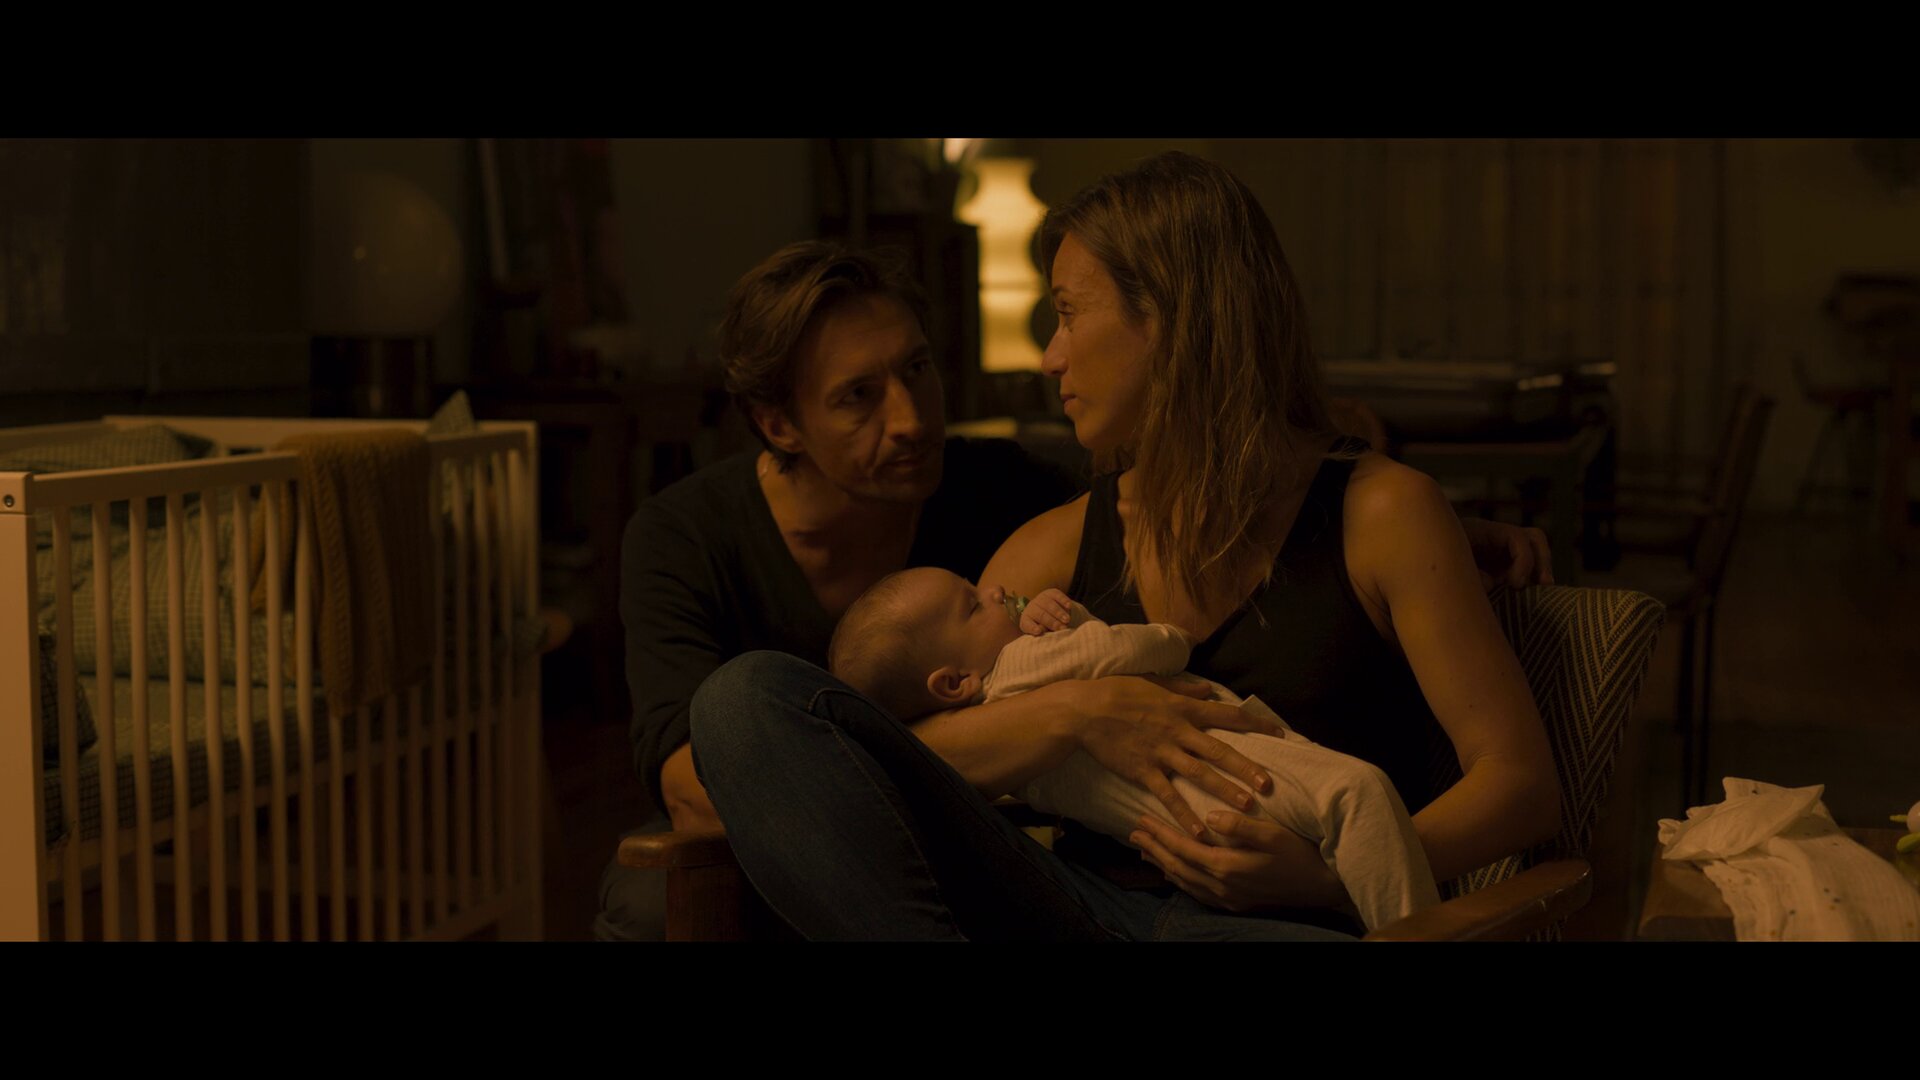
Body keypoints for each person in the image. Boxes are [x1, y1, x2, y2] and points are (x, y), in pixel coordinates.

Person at [599, 228, 1554, 941]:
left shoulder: (1005, 492)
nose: (914, 419)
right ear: (778, 426)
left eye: (920, 369)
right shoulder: (686, 537)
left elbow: (1203, 493)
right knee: (744, 702)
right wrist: (1078, 715)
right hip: (959, 881)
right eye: (858, 396)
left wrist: (1427, 526)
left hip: (1206, 905)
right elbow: (712, 788)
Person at [826, 567, 1440, 931]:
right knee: (1359, 794)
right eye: (973, 603)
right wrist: (1154, 632)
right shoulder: (1018, 666)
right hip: (1228, 777)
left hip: (1196, 827)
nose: (996, 591)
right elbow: (1132, 650)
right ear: (955, 683)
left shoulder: (1003, 740)